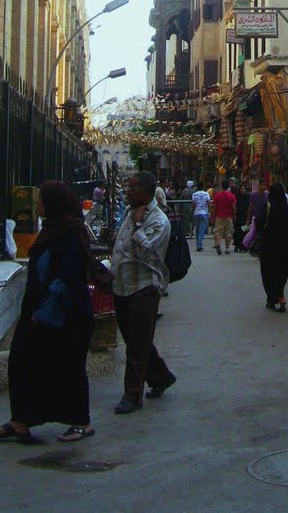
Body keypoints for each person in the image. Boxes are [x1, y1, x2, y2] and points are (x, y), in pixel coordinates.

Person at [0, 180, 99, 443]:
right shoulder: (52, 228)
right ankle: (22, 419)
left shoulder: (70, 233)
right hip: (39, 311)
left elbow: (68, 280)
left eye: (42, 200)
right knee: (23, 362)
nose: (37, 204)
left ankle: (81, 421)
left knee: (69, 366)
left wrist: (45, 314)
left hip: (64, 315)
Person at [111, 171, 176, 414]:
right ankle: (161, 376)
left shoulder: (158, 221)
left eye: (132, 188)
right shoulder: (130, 211)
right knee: (135, 338)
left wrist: (138, 225)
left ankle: (132, 395)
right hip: (122, 285)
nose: (128, 191)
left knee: (137, 345)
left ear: (146, 192)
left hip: (144, 287)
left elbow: (144, 252)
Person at [257, 182, 288, 312]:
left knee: (268, 272)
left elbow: (258, 223)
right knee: (281, 271)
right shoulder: (287, 208)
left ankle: (273, 298)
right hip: (283, 246)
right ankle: (280, 294)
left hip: (268, 245)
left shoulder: (267, 207)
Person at [211, 178, 237, 254]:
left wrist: (213, 215)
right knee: (228, 233)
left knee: (218, 231)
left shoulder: (217, 195)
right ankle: (227, 249)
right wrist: (234, 215)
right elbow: (234, 207)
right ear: (228, 186)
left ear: (221, 186)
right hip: (229, 216)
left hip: (219, 216)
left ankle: (218, 243)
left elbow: (214, 206)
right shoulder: (231, 196)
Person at [191, 181, 211, 251]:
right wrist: (210, 211)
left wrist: (193, 211)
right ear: (203, 186)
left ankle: (198, 243)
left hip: (196, 213)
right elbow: (208, 203)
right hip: (204, 213)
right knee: (202, 230)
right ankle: (199, 245)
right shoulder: (206, 194)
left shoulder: (194, 194)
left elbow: (193, 205)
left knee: (197, 229)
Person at [233, 185, 250, 252]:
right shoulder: (236, 196)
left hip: (245, 218)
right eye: (241, 189)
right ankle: (237, 245)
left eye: (244, 189)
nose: (243, 190)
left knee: (244, 231)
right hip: (238, 218)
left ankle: (243, 246)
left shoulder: (248, 197)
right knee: (237, 232)